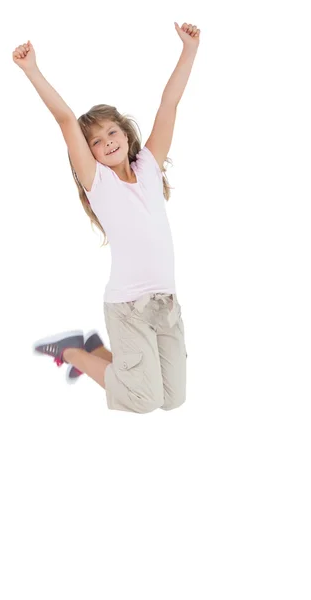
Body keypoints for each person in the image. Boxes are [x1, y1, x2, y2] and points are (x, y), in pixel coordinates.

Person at [12, 23, 200, 414]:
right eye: (95, 141)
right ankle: (75, 352)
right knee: (145, 400)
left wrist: (189, 50)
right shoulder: (99, 183)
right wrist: (32, 70)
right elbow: (66, 120)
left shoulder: (149, 165)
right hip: (127, 306)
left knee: (174, 399)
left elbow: (170, 104)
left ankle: (97, 349)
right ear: (91, 153)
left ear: (126, 135)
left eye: (111, 132)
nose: (106, 142)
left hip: (165, 304)